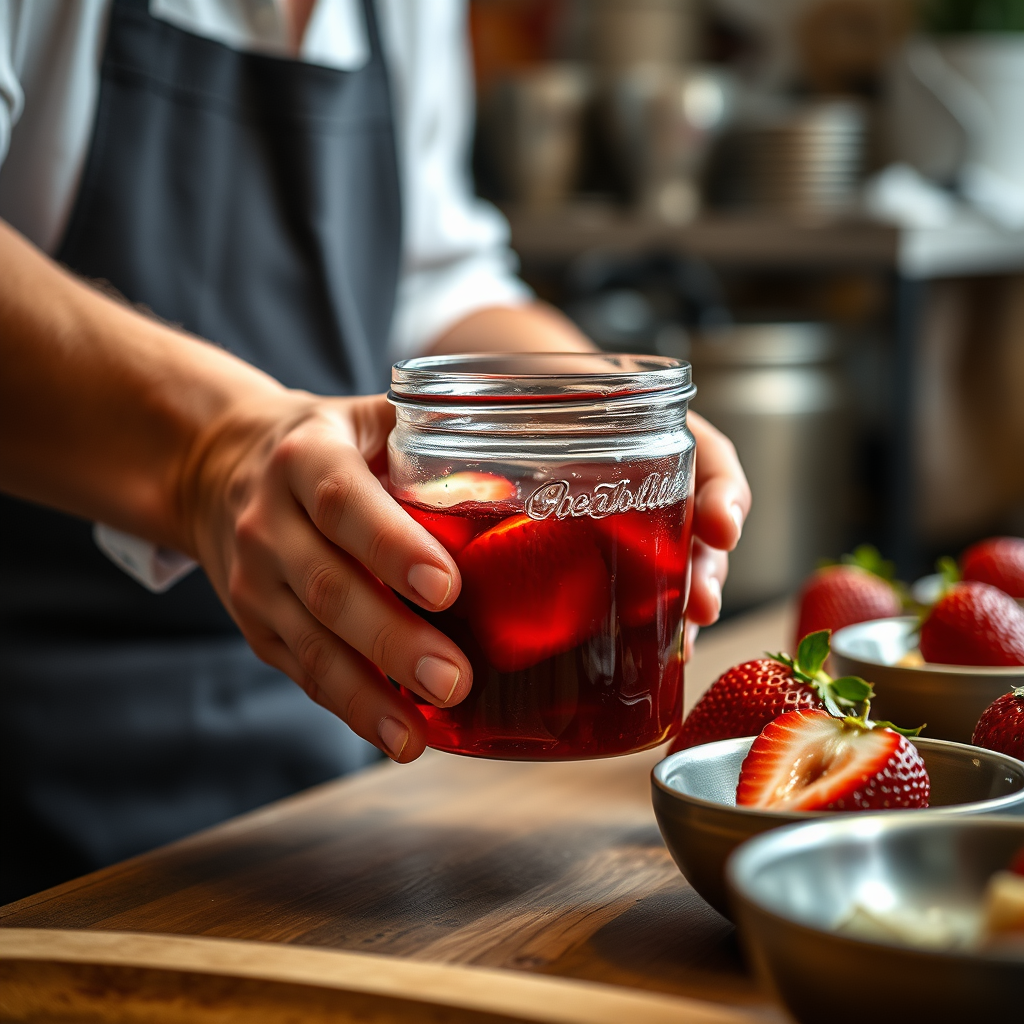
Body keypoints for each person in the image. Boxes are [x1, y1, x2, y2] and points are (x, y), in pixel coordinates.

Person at [0, 0, 751, 904]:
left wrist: (597, 424)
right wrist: (212, 449)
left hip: (333, 793)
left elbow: (434, 277)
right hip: (35, 756)